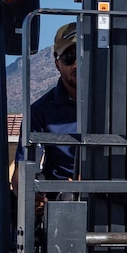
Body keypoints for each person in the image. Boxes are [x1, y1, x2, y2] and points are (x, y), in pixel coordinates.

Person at [16, 21, 80, 187]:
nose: (77, 64)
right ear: (57, 64)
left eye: (83, 54)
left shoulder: (126, 108)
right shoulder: (39, 112)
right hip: (62, 201)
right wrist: (35, 196)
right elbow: (21, 177)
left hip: (115, 199)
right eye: (69, 57)